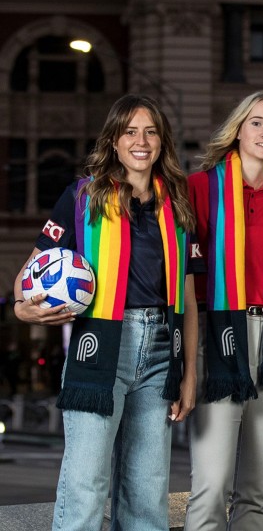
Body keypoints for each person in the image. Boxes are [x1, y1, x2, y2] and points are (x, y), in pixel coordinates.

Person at [12, 94, 197, 530]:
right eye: (130, 131)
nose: (141, 140)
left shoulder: (178, 204)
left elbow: (188, 299)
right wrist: (25, 312)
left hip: (158, 353)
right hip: (100, 348)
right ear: (113, 141)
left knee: (148, 494)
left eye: (151, 131)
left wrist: (191, 374)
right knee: (86, 486)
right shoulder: (82, 196)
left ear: (162, 141)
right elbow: (27, 276)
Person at [183, 90, 263, 531]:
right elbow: (179, 272)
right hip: (220, 342)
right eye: (257, 122)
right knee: (212, 485)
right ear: (237, 130)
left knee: (257, 492)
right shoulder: (198, 188)